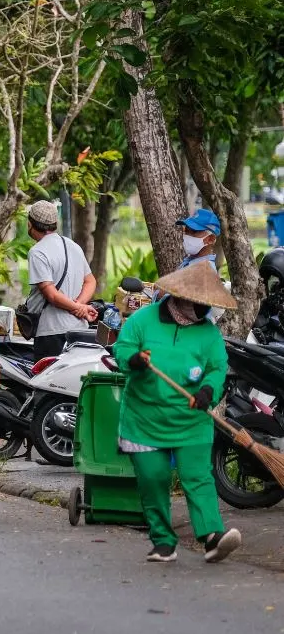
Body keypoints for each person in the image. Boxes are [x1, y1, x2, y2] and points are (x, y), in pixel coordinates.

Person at [113, 261, 242, 564]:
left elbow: (216, 367)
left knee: (197, 477)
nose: (204, 310)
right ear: (181, 299)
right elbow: (122, 350)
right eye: (200, 304)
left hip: (191, 419)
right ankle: (163, 541)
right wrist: (134, 359)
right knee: (153, 478)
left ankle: (212, 537)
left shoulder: (208, 334)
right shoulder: (142, 321)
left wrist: (208, 391)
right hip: (144, 419)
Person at [26, 200, 97, 360]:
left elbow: (52, 295)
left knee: (47, 382)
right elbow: (90, 281)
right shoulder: (72, 245)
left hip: (52, 332)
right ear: (55, 223)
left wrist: (79, 307)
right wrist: (80, 306)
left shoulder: (37, 252)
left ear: (30, 224)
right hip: (79, 329)